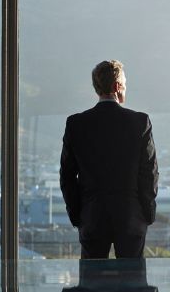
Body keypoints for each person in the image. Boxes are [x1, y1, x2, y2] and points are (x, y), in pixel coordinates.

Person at [60, 60, 159, 259]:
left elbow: (67, 176)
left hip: (92, 217)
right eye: (125, 84)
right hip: (131, 217)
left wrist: (78, 215)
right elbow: (149, 174)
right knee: (132, 276)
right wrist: (146, 215)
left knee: (92, 277)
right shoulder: (140, 122)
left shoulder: (76, 124)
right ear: (117, 86)